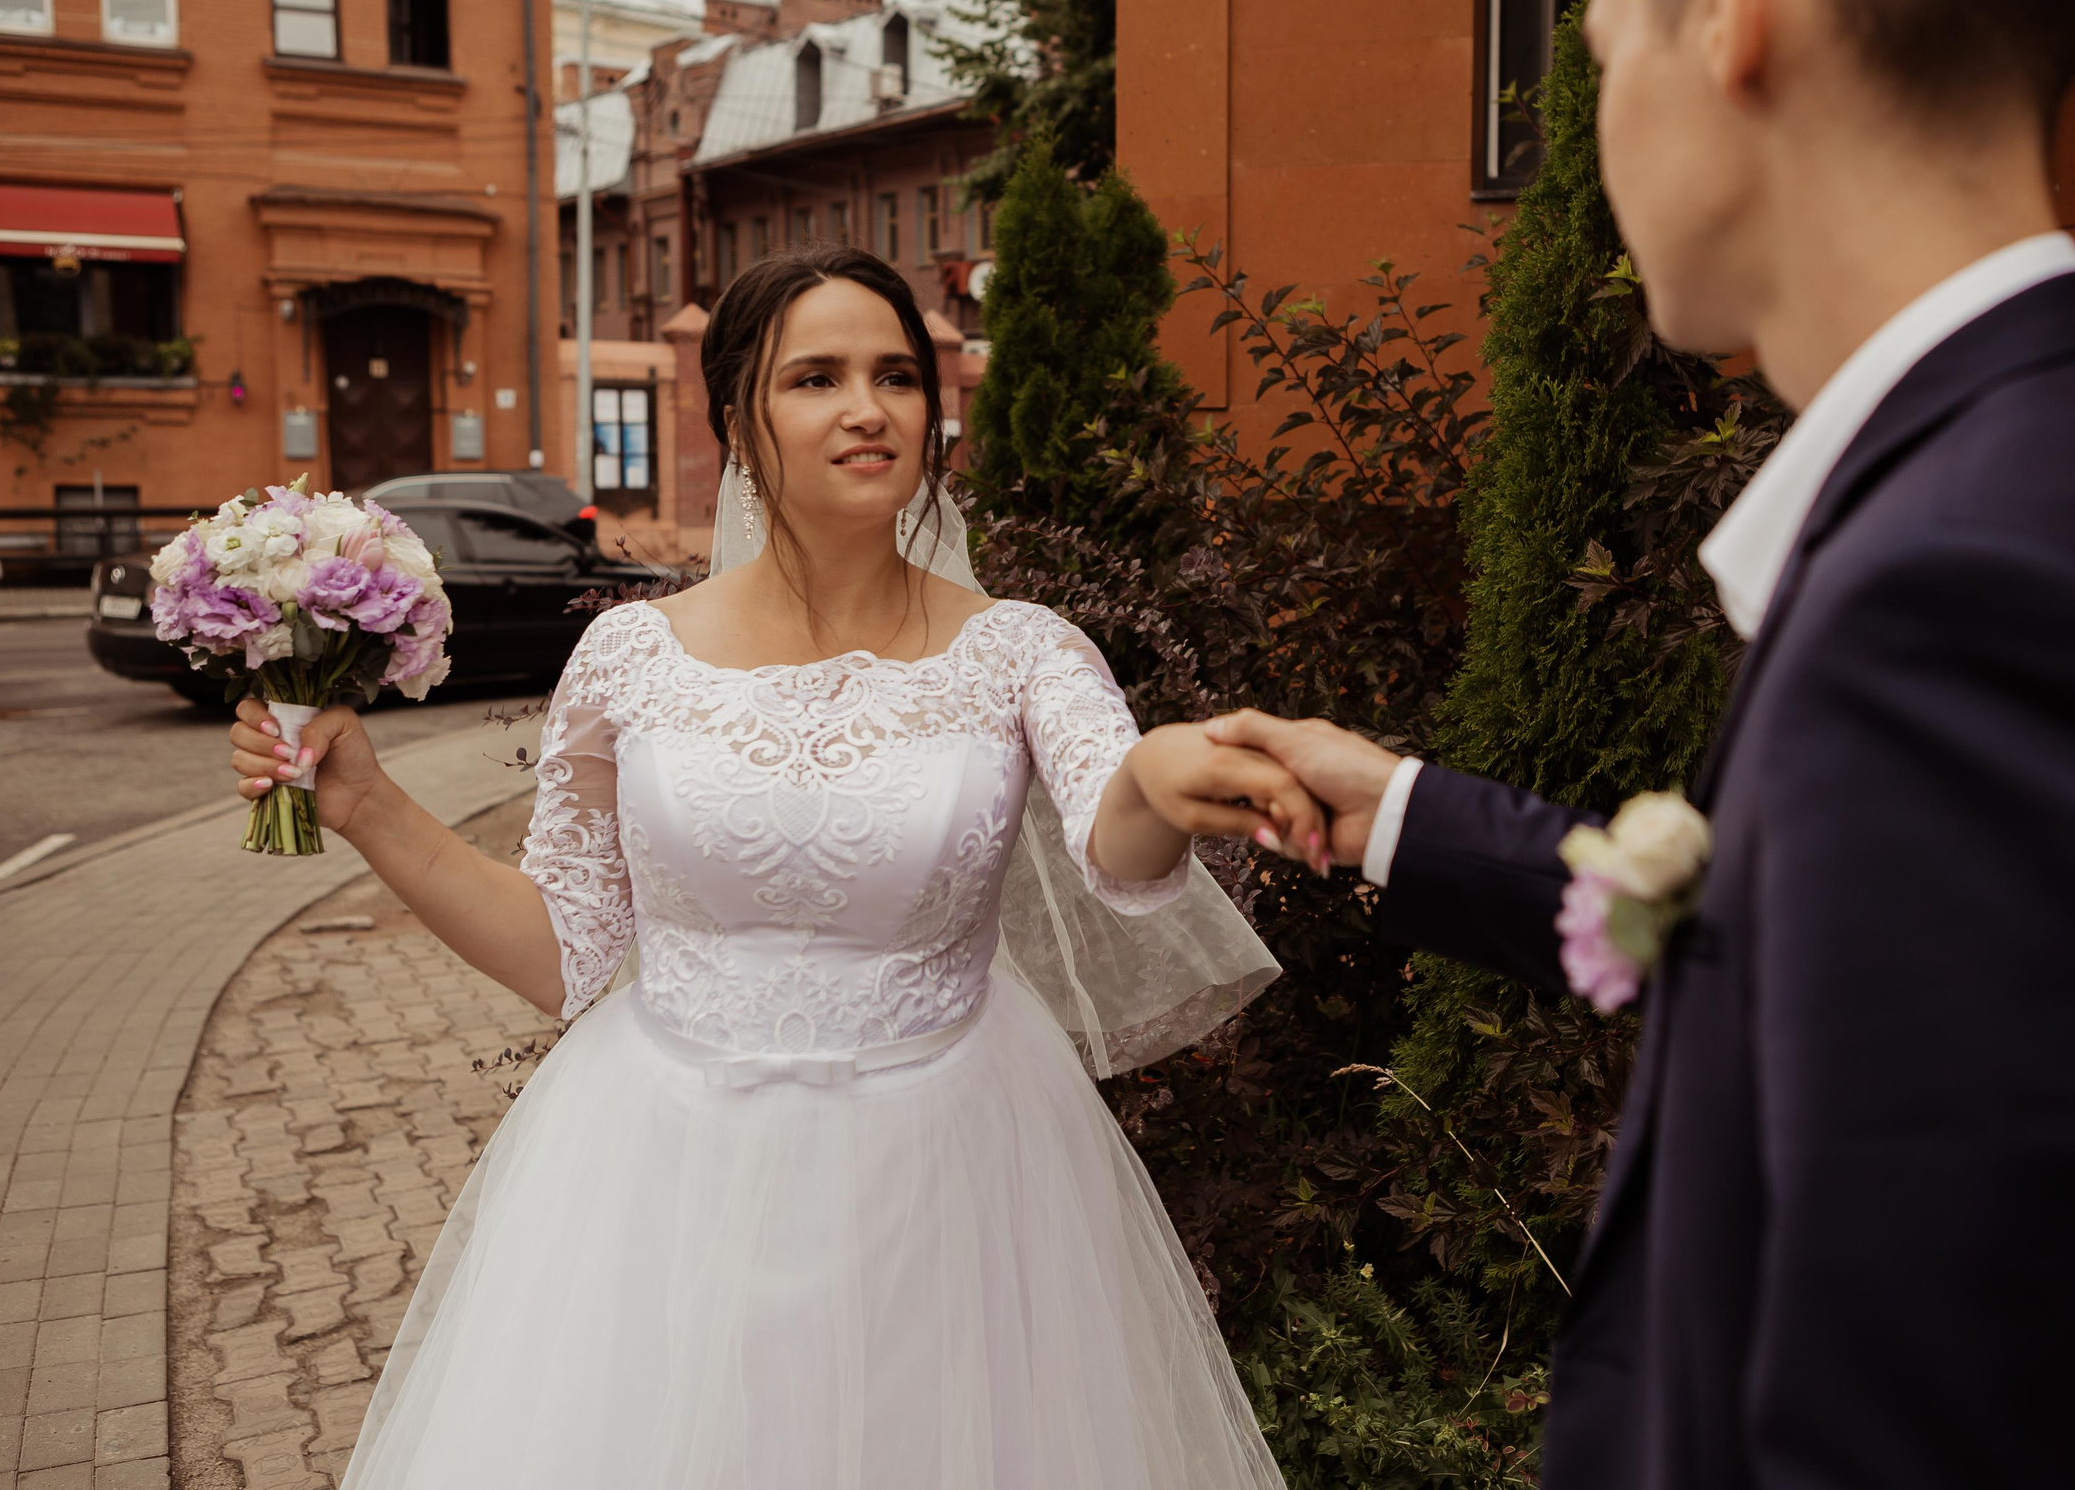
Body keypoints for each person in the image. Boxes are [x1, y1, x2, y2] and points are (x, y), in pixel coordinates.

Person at [1203, 0, 2075, 1485]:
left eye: (1605, 46)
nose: (1592, 124)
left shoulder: (1980, 596)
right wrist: (1404, 809)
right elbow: (1803, 947)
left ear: (1730, 3)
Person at [222, 246, 1304, 1489]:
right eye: (816, 377)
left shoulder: (1023, 653)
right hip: (662, 1166)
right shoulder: (632, 657)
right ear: (737, 413)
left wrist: (1161, 786)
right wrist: (363, 804)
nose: (868, 407)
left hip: (950, 1166)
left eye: (897, 375)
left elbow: (1114, 851)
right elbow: (560, 949)